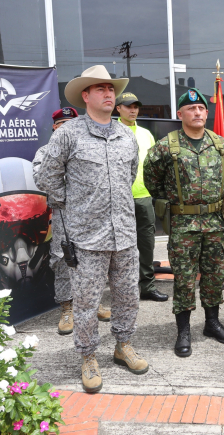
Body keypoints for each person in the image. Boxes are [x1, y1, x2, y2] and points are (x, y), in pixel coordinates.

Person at [36, 65, 148, 393]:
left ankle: (123, 345)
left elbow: (129, 176)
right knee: (86, 303)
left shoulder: (126, 135)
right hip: (86, 239)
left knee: (128, 296)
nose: (109, 94)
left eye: (111, 89)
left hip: (124, 234)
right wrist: (75, 209)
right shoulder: (68, 134)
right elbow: (48, 179)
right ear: (86, 95)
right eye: (101, 89)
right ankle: (88, 357)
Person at [144, 88, 224, 357]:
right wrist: (172, 201)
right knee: (184, 279)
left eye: (201, 109)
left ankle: (212, 323)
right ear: (180, 113)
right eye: (191, 109)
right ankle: (183, 330)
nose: (197, 113)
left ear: (206, 114)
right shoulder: (167, 146)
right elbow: (152, 178)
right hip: (183, 223)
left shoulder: (220, 145)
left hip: (214, 222)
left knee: (213, 276)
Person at [33, 107, 111, 335]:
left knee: (93, 258)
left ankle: (93, 302)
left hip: (90, 214)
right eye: (62, 123)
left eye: (71, 123)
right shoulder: (45, 151)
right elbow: (42, 179)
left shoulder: (90, 149)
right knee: (62, 258)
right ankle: (67, 307)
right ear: (54, 127)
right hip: (64, 214)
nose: (66, 127)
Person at [115, 92, 169, 302]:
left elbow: (155, 166)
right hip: (119, 199)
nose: (133, 110)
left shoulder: (146, 134)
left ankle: (147, 287)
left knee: (146, 245)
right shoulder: (110, 132)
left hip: (144, 197)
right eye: (128, 106)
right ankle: (124, 292)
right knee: (120, 248)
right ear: (118, 108)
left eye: (136, 106)